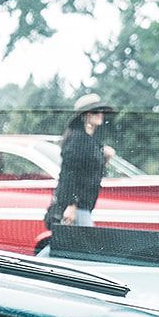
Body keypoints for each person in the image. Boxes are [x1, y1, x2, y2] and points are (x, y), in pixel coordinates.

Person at [47, 93, 116, 229]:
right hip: (76, 206)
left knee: (68, 245)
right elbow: (69, 175)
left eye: (101, 111)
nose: (100, 114)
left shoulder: (92, 141)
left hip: (84, 205)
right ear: (85, 115)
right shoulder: (77, 141)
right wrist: (71, 205)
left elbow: (91, 174)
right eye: (95, 111)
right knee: (85, 246)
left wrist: (105, 158)